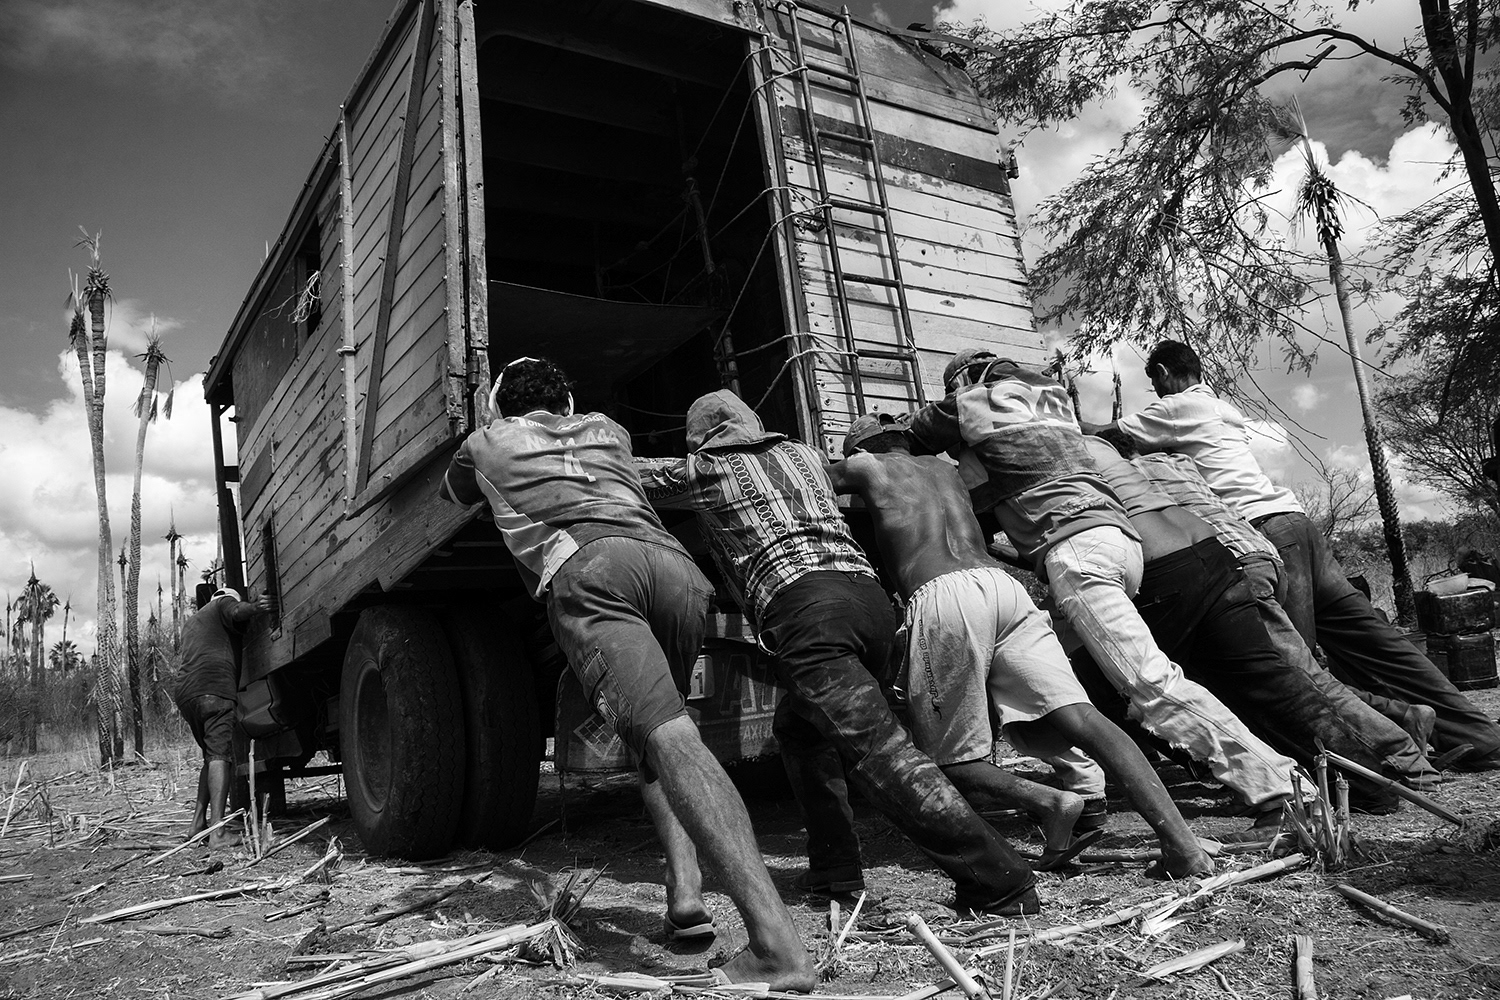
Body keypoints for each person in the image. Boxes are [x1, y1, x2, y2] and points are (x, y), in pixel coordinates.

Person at [440, 358, 812, 990]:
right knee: (661, 738)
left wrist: (492, 420)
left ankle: (778, 949)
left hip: (591, 568)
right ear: (571, 398)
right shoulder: (610, 430)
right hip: (672, 567)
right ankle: (685, 894)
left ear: (502, 405)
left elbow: (455, 494)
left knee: (668, 739)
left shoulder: (484, 443)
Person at [638, 390, 1040, 916]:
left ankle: (998, 878)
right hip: (869, 604)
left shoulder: (706, 470)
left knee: (879, 752)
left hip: (807, 611)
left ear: (699, 440)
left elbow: (628, 475)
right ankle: (834, 870)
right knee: (801, 731)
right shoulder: (806, 456)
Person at [905, 350, 1304, 836]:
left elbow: (916, 435)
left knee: (1152, 686)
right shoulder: (1052, 401)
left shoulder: (975, 399)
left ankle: (1278, 787)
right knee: (1072, 680)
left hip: (1077, 553)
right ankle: (1086, 791)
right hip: (1118, 540)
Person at [828, 413, 1213, 878]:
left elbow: (807, 474)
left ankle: (1051, 802)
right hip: (1002, 588)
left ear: (863, 449)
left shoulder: (867, 467)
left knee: (947, 761)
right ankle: (1183, 846)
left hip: (943, 595)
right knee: (1084, 720)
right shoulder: (947, 471)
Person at [1101, 340, 1500, 770]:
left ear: (1162, 374)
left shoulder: (1177, 408)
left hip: (1261, 532)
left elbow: (1106, 439)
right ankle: (1479, 739)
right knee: (1372, 640)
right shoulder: (1219, 408)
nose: (1155, 392)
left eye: (1154, 383)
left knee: (1293, 667)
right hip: (1297, 524)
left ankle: (1377, 756)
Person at [1076, 433, 1429, 806]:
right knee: (1276, 677)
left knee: (1292, 677)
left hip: (1226, 565)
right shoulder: (1170, 463)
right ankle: (1371, 772)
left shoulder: (1110, 463)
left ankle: (1399, 754)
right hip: (1241, 555)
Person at [174, 586, 274, 848]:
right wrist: (257, 607)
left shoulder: (193, 622)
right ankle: (218, 833)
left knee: (211, 756)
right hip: (214, 688)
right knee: (221, 756)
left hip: (187, 694)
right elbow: (236, 610)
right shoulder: (222, 604)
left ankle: (197, 825)